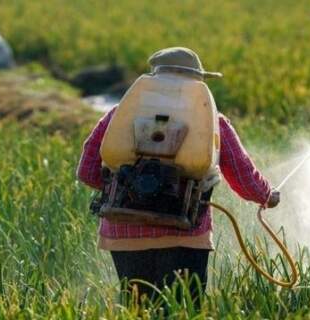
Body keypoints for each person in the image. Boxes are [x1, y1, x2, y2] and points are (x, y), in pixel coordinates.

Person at [76, 47, 280, 305]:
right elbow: (243, 175)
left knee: (139, 311)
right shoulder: (213, 122)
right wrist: (267, 196)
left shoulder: (118, 115)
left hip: (124, 234)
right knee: (183, 309)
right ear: (197, 82)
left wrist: (128, 185)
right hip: (185, 233)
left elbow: (87, 171)